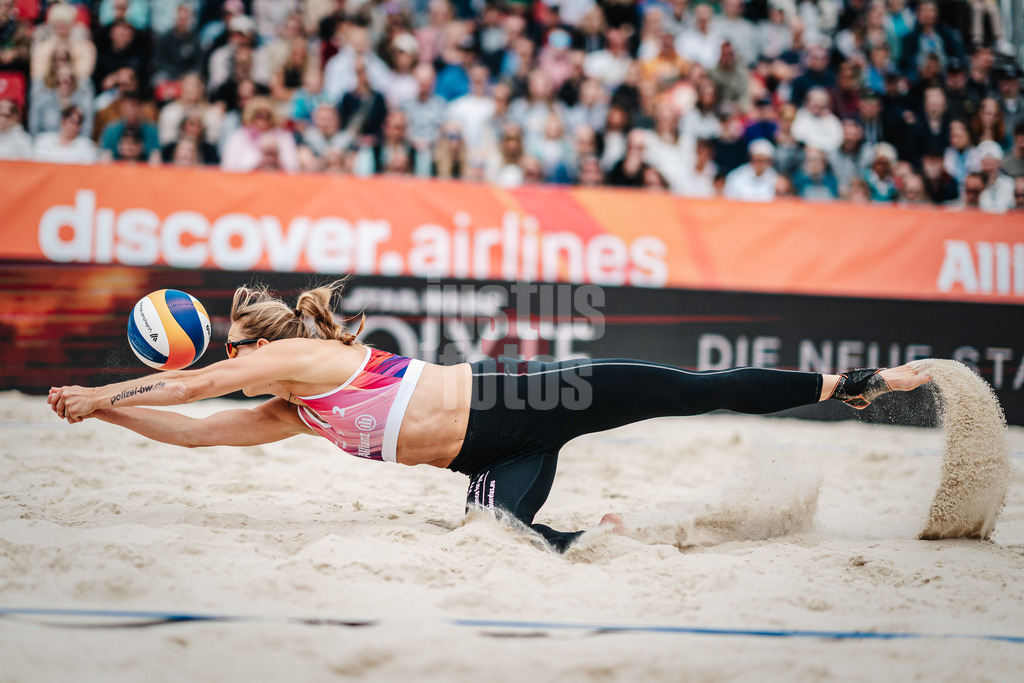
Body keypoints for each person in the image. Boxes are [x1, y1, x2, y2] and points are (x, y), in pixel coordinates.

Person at [47, 281, 933, 554]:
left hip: (526, 392)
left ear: (251, 342)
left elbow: (195, 390)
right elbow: (199, 428)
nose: (223, 365)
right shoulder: (293, 412)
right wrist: (111, 419)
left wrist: (98, 391)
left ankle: (842, 383)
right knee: (500, 533)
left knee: (685, 387)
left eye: (228, 349)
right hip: (500, 447)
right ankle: (611, 530)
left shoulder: (289, 359)